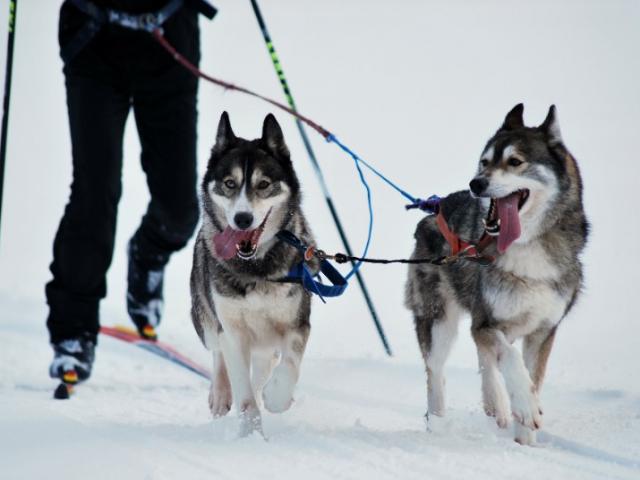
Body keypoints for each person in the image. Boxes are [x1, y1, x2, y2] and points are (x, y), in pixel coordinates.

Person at [46, 0, 215, 384]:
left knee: (180, 210)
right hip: (93, 38)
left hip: (169, 37)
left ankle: (149, 252)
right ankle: (73, 329)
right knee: (94, 192)